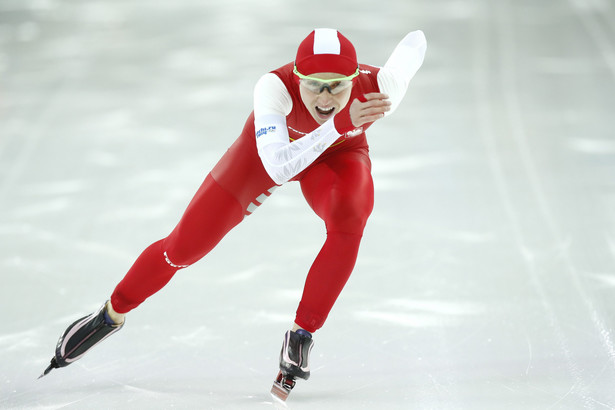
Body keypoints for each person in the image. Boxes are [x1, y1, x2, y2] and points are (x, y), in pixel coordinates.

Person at [40, 27, 427, 395]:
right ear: (297, 78)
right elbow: (278, 166)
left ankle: (301, 335)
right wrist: (341, 121)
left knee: (350, 218)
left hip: (338, 155)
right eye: (314, 85)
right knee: (182, 250)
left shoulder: (378, 89)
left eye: (337, 87)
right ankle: (111, 313)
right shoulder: (273, 88)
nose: (325, 99)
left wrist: (379, 90)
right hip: (267, 156)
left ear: (356, 78)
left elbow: (414, 44)